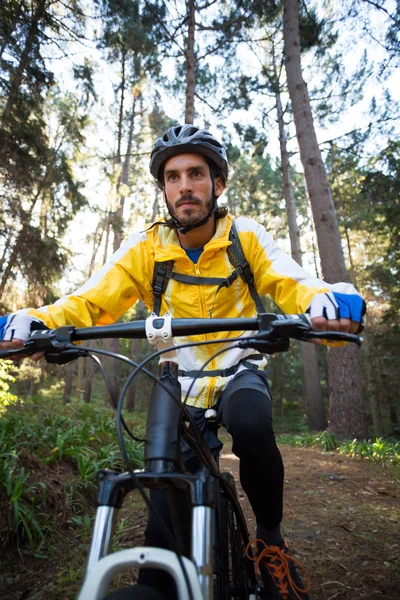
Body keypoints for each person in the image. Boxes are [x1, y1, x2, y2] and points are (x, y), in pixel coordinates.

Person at [0, 125, 365, 600]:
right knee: (162, 485)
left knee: (252, 423)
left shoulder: (245, 236)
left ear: (217, 184)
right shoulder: (147, 248)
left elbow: (292, 280)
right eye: (172, 177)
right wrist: (36, 321)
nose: (184, 186)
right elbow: (90, 301)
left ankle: (271, 539)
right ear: (164, 188)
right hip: (179, 381)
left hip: (238, 369)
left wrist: (329, 301)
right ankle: (160, 577)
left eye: (196, 173)